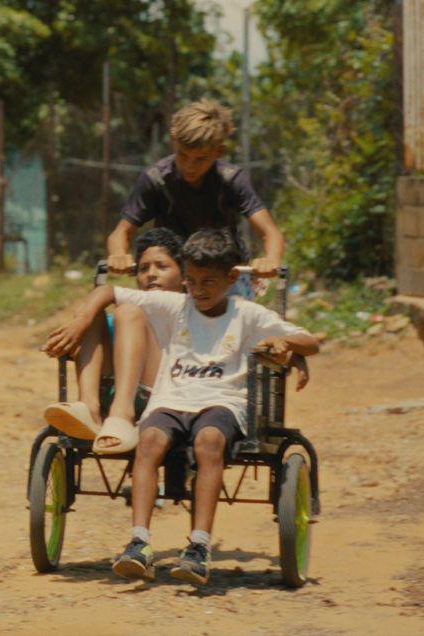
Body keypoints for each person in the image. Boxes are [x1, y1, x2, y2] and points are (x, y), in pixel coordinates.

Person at [81, 230, 318, 586]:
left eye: (208, 281)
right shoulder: (177, 305)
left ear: (231, 278)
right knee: (148, 443)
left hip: (222, 401)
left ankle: (199, 547)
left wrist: (285, 343)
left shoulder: (248, 313)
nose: (199, 289)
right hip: (172, 399)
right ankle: (139, 542)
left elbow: (310, 340)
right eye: (191, 280)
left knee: (209, 442)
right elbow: (111, 292)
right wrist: (78, 320)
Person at [106, 99, 284, 282]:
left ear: (219, 151)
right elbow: (121, 232)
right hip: (174, 275)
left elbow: (269, 232)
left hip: (224, 274)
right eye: (183, 155)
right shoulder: (156, 180)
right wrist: (119, 254)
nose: (190, 166)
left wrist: (271, 260)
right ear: (174, 141)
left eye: (201, 159)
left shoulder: (231, 180)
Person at [41, 227, 184, 452]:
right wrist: (80, 324)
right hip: (113, 390)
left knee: (128, 312)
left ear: (185, 276)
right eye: (143, 268)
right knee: (93, 313)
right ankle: (89, 408)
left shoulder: (189, 311)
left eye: (162, 266)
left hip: (162, 395)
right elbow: (104, 292)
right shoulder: (127, 309)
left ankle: (122, 414)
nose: (151, 274)